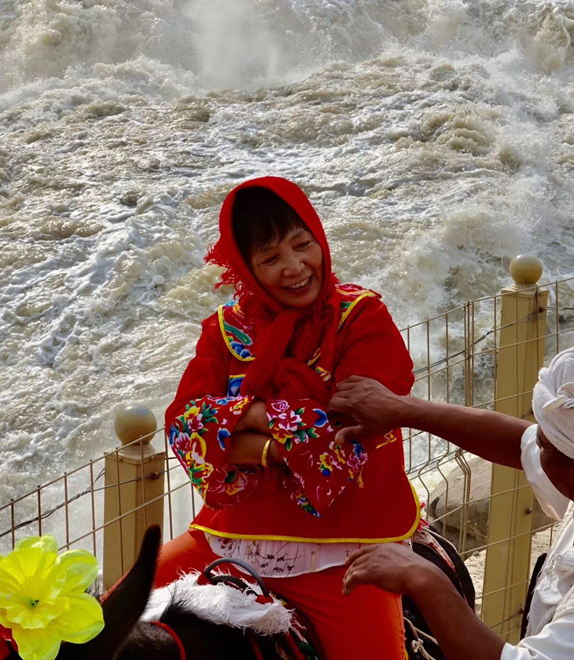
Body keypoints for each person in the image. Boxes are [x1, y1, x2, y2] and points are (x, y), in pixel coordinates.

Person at [155, 177, 420, 658]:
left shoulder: (361, 317)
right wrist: (283, 441)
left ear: (320, 239)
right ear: (247, 268)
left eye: (302, 245)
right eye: (270, 258)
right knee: (99, 627)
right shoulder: (225, 329)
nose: (295, 268)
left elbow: (348, 432)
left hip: (349, 546)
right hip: (231, 536)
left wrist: (238, 424)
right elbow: (184, 428)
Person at [331, 341, 574, 660]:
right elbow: (515, 440)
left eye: (544, 444)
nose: (532, 447)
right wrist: (405, 410)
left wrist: (426, 579)